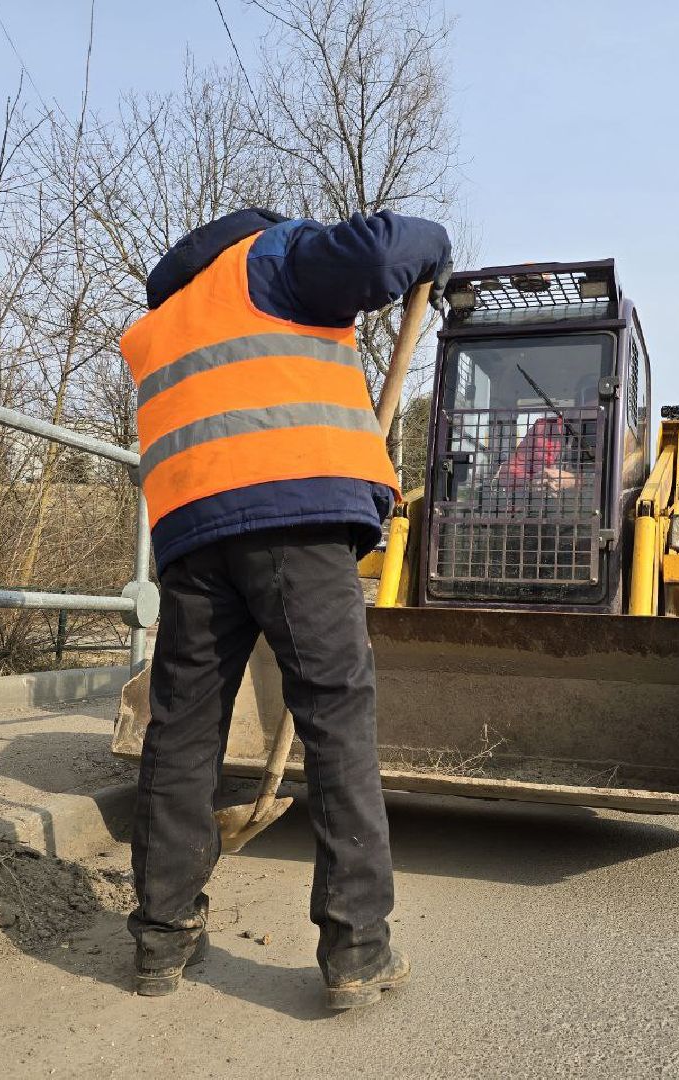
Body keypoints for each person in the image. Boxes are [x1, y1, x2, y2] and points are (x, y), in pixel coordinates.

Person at [119, 207, 451, 1006]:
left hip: (193, 536)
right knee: (336, 715)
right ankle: (356, 947)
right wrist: (436, 245)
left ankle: (161, 938)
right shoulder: (271, 256)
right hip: (294, 517)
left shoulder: (162, 320)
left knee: (184, 726)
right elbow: (379, 254)